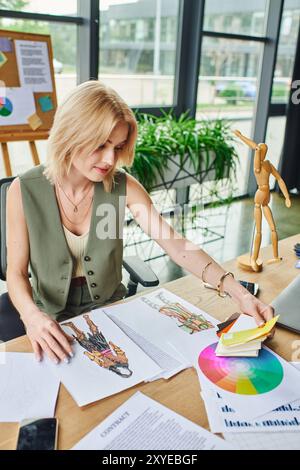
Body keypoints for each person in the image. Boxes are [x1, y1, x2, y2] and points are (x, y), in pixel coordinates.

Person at [5, 80, 274, 365]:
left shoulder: (122, 187)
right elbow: (16, 272)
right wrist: (31, 316)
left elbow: (177, 246)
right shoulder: (24, 190)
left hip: (110, 310)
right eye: (100, 145)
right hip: (49, 318)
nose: (110, 159)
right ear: (71, 134)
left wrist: (239, 293)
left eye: (118, 147)